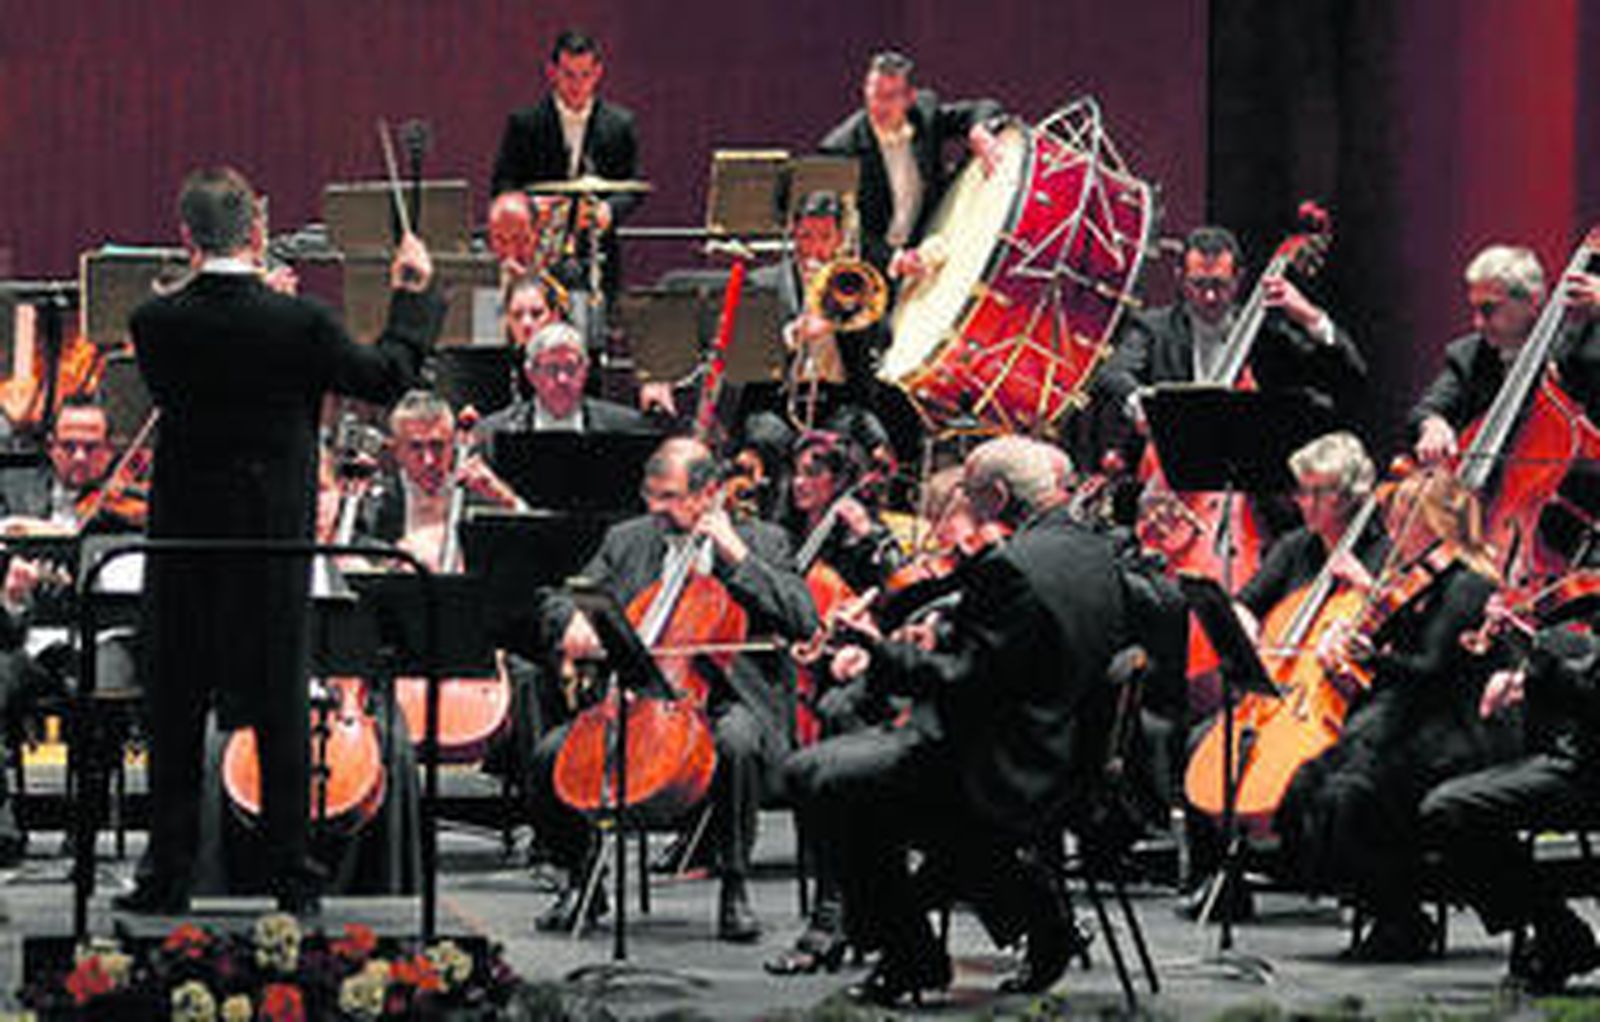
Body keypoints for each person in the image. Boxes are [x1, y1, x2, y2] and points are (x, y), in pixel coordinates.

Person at [121, 165, 441, 915]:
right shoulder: (301, 324)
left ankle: (166, 876)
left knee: (174, 712)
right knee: (278, 713)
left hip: (185, 552)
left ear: (186, 237)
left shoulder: (153, 323)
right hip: (273, 551)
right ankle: (293, 880)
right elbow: (385, 376)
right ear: (258, 234)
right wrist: (412, 296)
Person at [811, 436, 1123, 1004]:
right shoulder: (1092, 550)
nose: (964, 510)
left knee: (829, 785)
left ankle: (913, 956)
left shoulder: (1011, 567)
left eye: (970, 497)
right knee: (856, 783)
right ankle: (1034, 913)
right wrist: (944, 636)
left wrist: (879, 653)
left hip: (1011, 764)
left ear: (999, 497)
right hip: (1066, 748)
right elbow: (1015, 654)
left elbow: (962, 683)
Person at [527, 436, 817, 941]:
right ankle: (582, 884)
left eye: (670, 498)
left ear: (708, 495)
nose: (656, 509)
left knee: (737, 743)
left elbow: (802, 618)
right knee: (549, 754)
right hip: (642, 699)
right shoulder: (629, 539)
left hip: (728, 700)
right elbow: (560, 595)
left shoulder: (763, 541)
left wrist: (736, 554)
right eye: (651, 495)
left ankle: (734, 887)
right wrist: (573, 619)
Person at [1274, 469, 1521, 960]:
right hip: (1414, 723)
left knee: (1354, 794)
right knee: (1307, 783)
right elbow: (1402, 668)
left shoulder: (1468, 584)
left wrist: (1372, 657)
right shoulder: (1418, 582)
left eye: (1403, 517)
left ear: (1435, 522)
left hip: (1459, 733)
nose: (1391, 529)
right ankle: (1382, 903)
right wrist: (1355, 661)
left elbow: (1431, 670)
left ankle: (1402, 918)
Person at [1421, 620, 1600, 992]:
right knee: (1443, 807)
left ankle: (1556, 933)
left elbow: (1588, 694)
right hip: (1567, 759)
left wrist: (1542, 661)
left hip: (1587, 773)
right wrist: (1524, 669)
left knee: (1450, 808)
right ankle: (1557, 928)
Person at [1094, 225, 1367, 449]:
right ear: (1180, 278)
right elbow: (1112, 373)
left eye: (1220, 284)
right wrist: (1142, 406)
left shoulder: (1264, 333)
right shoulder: (1154, 328)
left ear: (1239, 279)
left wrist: (1310, 316)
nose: (1210, 296)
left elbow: (1349, 374)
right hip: (1168, 469)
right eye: (1199, 284)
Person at [1411, 244, 1600, 465]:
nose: (1478, 323)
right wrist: (1433, 425)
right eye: (1475, 309)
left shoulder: (1584, 346)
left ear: (1533, 301)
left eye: (1489, 309)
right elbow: (1428, 408)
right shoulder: (1470, 355)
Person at [819, 51, 1002, 277]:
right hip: (878, 265)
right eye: (875, 94)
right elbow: (844, 228)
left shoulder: (924, 113)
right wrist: (894, 259)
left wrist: (979, 130)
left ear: (909, 98)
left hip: (932, 242)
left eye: (890, 96)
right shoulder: (842, 148)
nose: (879, 106)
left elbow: (984, 108)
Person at [488, 29, 642, 296]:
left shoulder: (620, 125)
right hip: (537, 252)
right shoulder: (526, 124)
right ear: (552, 72)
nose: (577, 85)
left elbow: (631, 186)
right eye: (568, 74)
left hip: (597, 254)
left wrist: (608, 211)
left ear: (598, 73)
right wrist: (530, 206)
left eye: (585, 75)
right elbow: (503, 183)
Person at [476, 322, 649, 437]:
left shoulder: (626, 428)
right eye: (551, 369)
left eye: (571, 368)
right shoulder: (494, 431)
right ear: (531, 374)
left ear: (585, 370)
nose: (562, 379)